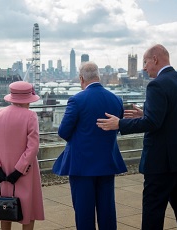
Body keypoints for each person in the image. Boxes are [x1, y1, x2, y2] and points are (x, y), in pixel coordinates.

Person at [97, 44, 177, 230]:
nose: (144, 67)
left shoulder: (156, 84)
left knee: (153, 211)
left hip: (161, 162)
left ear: (155, 59)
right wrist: (146, 114)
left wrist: (119, 123)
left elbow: (153, 123)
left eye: (145, 62)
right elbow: (172, 116)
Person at [52, 61, 127, 229]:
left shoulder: (76, 100)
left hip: (81, 166)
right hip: (107, 163)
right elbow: (117, 128)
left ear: (81, 78)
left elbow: (63, 132)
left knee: (84, 214)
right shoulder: (116, 99)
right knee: (107, 212)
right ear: (98, 77)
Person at [0, 81, 45, 230]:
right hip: (25, 172)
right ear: (28, 99)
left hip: (2, 173)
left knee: (4, 208)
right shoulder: (31, 116)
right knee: (28, 213)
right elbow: (33, 147)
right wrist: (18, 170)